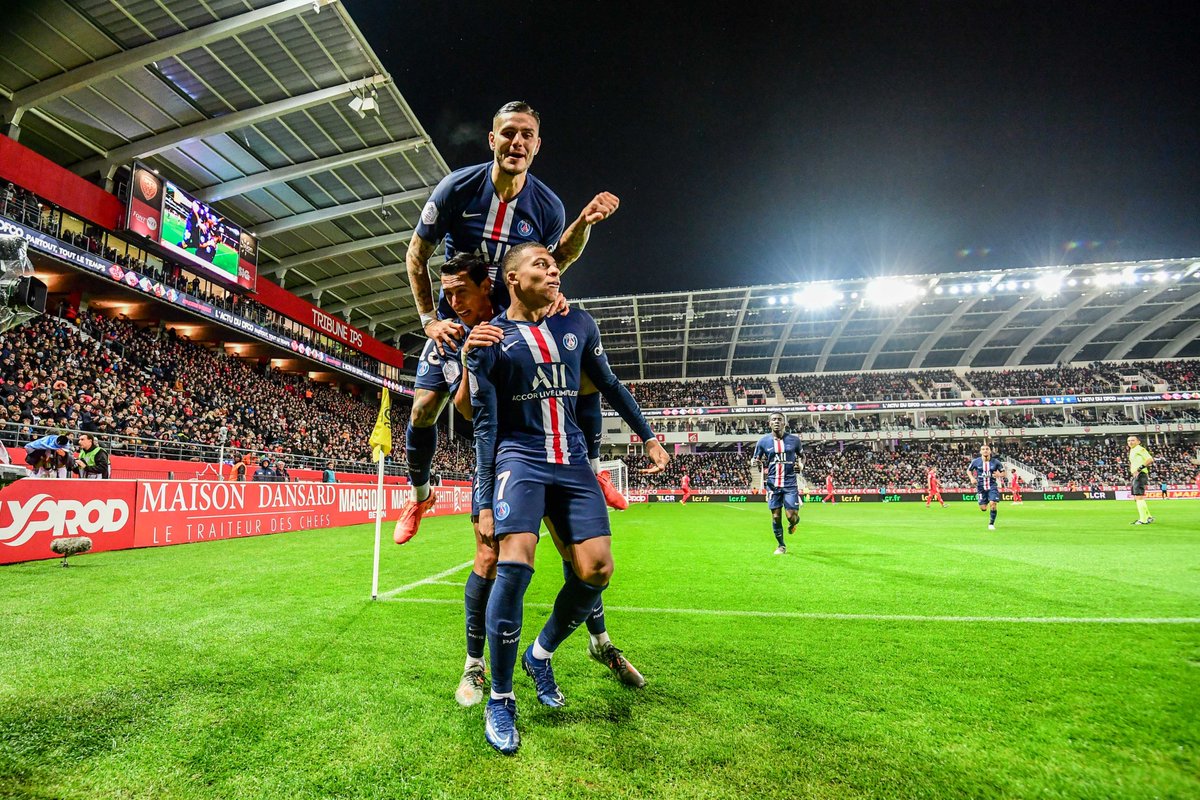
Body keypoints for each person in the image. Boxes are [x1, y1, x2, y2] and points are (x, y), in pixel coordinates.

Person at [468, 242, 669, 755]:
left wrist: (647, 435)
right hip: (520, 460)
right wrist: (483, 501)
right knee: (515, 564)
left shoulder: (578, 323)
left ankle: (539, 654)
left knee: (597, 569)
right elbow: (485, 427)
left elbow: (609, 384)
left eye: (555, 265)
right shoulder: (491, 339)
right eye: (541, 264)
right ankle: (501, 698)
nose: (554, 270)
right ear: (512, 279)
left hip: (573, 461)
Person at [396, 100, 623, 544]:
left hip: (512, 328)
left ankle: (592, 471)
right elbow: (416, 255)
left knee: (581, 373)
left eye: (526, 135)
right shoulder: (457, 188)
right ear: (492, 139)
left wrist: (580, 230)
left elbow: (554, 259)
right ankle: (420, 495)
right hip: (457, 323)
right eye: (508, 133)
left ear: (537, 146)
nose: (516, 142)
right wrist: (428, 321)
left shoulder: (548, 206)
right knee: (423, 409)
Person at [750, 413, 803, 555]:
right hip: (773, 484)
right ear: (769, 423)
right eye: (773, 419)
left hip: (790, 484)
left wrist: (801, 465)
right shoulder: (763, 441)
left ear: (784, 423)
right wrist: (755, 462)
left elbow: (802, 457)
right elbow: (755, 459)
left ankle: (794, 522)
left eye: (779, 419)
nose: (777, 422)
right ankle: (781, 546)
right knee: (776, 517)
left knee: (791, 516)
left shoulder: (794, 440)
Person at [967, 443, 1004, 531]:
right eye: (983, 449)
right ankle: (986, 500)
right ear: (980, 452)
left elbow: (1003, 473)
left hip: (992, 486)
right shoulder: (976, 461)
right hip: (980, 487)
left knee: (993, 504)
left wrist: (999, 474)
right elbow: (968, 470)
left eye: (987, 449)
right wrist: (972, 478)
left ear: (990, 451)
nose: (985, 451)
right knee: (983, 508)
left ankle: (991, 524)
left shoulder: (996, 462)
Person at [1127, 435, 1155, 525]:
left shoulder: (1140, 449)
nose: (1130, 442)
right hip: (1137, 475)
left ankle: (1143, 519)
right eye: (1128, 441)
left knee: (1139, 497)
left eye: (1132, 440)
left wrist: (1139, 469)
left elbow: (1150, 459)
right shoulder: (1132, 450)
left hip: (1140, 474)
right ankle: (1148, 516)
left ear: (1138, 442)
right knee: (1137, 497)